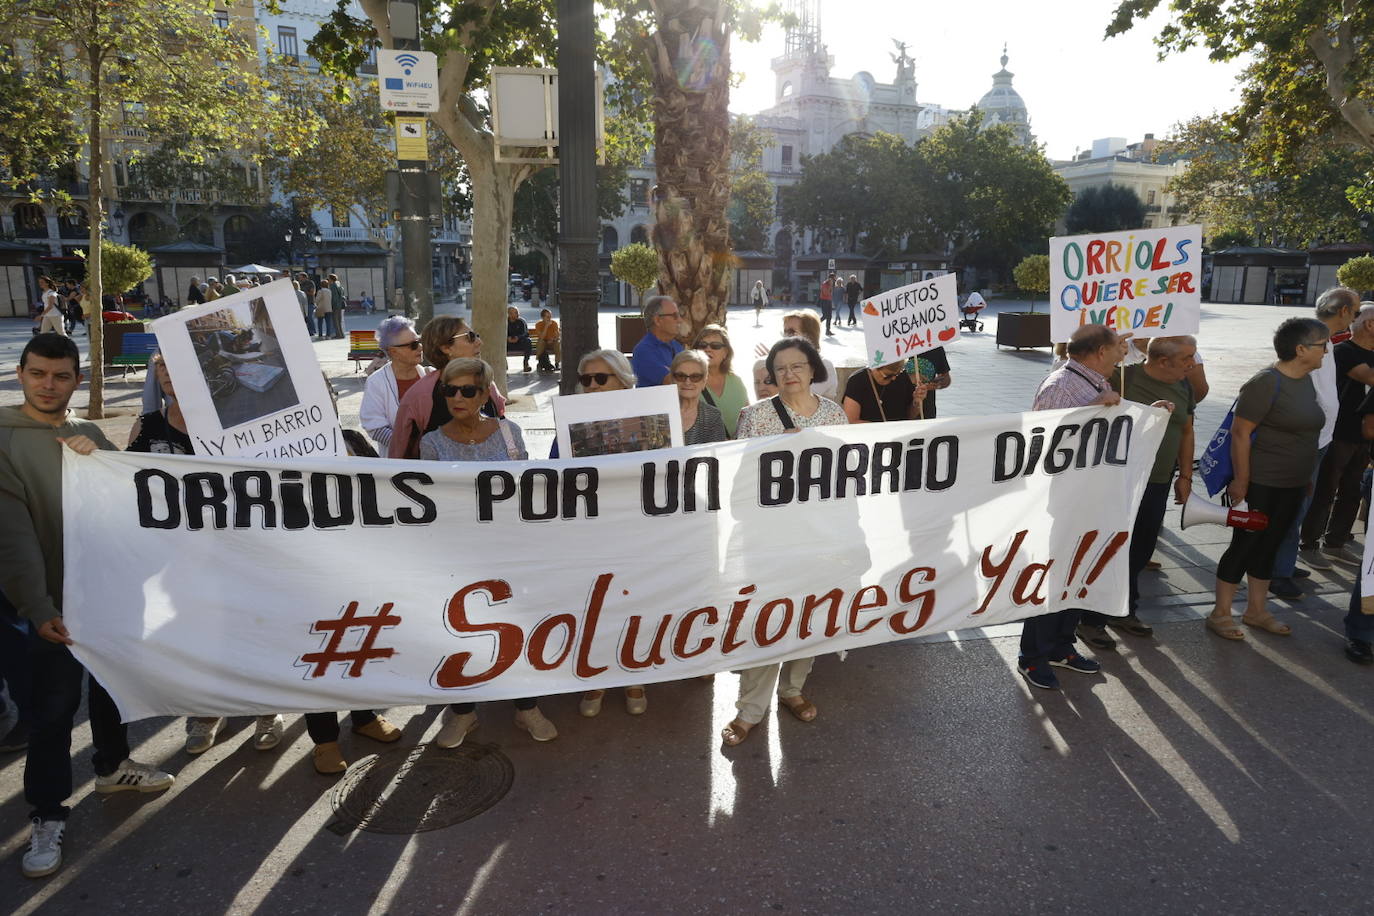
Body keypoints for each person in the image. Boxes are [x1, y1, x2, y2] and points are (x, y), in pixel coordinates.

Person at [1, 334, 174, 879]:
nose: (47, 385)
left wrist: (98, 457)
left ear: (77, 379)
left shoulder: (90, 432)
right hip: (49, 607)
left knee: (109, 689)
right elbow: (12, 536)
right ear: (21, 374)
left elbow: (134, 500)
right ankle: (47, 815)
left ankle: (112, 766)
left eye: (60, 376)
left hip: (102, 597)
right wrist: (37, 606)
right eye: (37, 374)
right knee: (52, 714)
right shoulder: (4, 437)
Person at [124, 354, 291, 755]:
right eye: (160, 370)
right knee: (199, 634)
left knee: (252, 627)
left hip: (237, 547)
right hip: (179, 556)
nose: (166, 375)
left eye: (173, 367)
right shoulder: (147, 426)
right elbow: (125, 479)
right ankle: (205, 711)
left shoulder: (230, 424)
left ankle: (269, 709)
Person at [418, 358, 559, 744]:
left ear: (484, 394)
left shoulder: (509, 434)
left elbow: (527, 492)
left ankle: (525, 706)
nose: (457, 398)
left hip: (509, 552)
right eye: (449, 390)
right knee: (457, 633)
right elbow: (432, 507)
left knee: (516, 628)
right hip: (456, 555)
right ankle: (464, 713)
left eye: (467, 390)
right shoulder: (431, 443)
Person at [724, 336, 847, 746]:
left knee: (808, 617)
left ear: (813, 369)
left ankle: (793, 689)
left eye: (797, 366)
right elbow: (740, 483)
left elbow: (844, 479)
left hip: (819, 539)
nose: (789, 374)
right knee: (767, 620)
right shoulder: (756, 416)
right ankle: (749, 710)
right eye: (780, 369)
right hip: (769, 539)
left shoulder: (833, 416)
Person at [1207, 317, 1330, 641]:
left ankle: (1256, 611)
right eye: (1322, 345)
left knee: (1270, 547)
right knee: (1245, 546)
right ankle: (1220, 613)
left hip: (1292, 483)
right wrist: (1242, 482)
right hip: (1261, 483)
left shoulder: (1306, 380)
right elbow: (1240, 433)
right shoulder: (1265, 382)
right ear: (1301, 349)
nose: (1327, 351)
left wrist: (1303, 477)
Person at [1016, 324, 1123, 689]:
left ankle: (1061, 646)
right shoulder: (1061, 385)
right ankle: (1032, 656)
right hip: (1062, 502)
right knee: (1054, 577)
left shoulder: (1095, 382)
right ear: (1099, 352)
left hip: (1089, 499)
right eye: (1117, 347)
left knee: (1078, 573)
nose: (1123, 352)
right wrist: (1092, 408)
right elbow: (1044, 442)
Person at [1076, 336, 1196, 650]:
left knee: (1142, 548)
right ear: (1162, 361)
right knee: (1112, 548)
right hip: (1120, 480)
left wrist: (1185, 475)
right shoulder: (1122, 378)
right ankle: (1090, 619)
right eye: (1186, 358)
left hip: (1158, 480)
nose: (1192, 364)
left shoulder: (1184, 386)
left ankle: (1123, 608)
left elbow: (1186, 429)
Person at [561, 349, 650, 717]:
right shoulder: (569, 423)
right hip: (591, 528)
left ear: (622, 380)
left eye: (602, 378)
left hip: (637, 526)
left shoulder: (646, 417)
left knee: (634, 600)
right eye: (586, 380)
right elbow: (555, 472)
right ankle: (595, 678)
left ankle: (634, 676)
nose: (593, 386)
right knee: (595, 602)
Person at [1270, 287, 1360, 589]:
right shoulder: (1312, 338)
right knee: (1293, 508)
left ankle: (1283, 562)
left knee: (1301, 506)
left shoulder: (1327, 342)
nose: (1357, 318)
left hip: (1319, 439)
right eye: (1357, 312)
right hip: (1305, 440)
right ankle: (1276, 572)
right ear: (1344, 312)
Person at [1293, 304, 1374, 583]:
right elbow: (1369, 377)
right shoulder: (1344, 352)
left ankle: (1336, 543)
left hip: (1365, 435)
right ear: (1369, 325)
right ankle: (1309, 545)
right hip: (1340, 432)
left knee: (1352, 490)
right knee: (1325, 489)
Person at [388, 317, 505, 459]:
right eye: (470, 337)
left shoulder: (487, 385)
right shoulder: (420, 396)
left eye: (468, 391)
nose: (479, 342)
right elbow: (400, 453)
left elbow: (503, 430)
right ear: (446, 348)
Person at [360, 316, 432, 452]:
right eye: (413, 345)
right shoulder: (376, 382)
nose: (420, 347)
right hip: (397, 464)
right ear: (394, 351)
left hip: (434, 463)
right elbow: (375, 427)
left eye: (419, 341)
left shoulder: (431, 375)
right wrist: (410, 446)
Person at [756, 310, 839, 402]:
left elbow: (795, 398)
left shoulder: (825, 365)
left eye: (791, 332)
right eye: (785, 332)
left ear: (809, 335)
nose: (786, 337)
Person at [693, 324, 749, 437]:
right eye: (703, 345)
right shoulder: (688, 383)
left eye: (715, 345)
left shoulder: (736, 382)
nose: (708, 349)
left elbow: (749, 420)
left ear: (725, 353)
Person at [841, 359, 926, 423]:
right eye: (888, 375)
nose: (893, 378)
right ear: (875, 368)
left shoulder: (903, 378)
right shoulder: (857, 381)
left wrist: (917, 402)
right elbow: (851, 421)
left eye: (897, 373)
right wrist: (885, 429)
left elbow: (909, 416)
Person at [672, 350, 728, 445]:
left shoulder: (713, 417)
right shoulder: (658, 413)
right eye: (681, 376)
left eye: (695, 377)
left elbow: (718, 456)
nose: (687, 382)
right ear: (673, 380)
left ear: (704, 382)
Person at [632, 295, 684, 387]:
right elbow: (673, 382)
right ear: (657, 320)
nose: (680, 320)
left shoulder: (677, 346)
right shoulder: (643, 351)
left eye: (679, 315)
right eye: (674, 316)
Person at [912, 348, 952, 418]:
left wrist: (936, 385)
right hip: (895, 413)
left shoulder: (935, 347)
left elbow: (946, 379)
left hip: (926, 412)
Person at [506, 305, 533, 373]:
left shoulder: (521, 321)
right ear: (509, 314)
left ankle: (526, 363)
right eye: (514, 313)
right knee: (500, 343)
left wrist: (518, 338)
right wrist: (507, 338)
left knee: (528, 341)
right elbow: (500, 333)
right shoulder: (505, 322)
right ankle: (504, 364)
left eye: (517, 312)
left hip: (519, 343)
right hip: (508, 344)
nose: (516, 314)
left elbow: (526, 333)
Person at [534, 308, 561, 372]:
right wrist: (546, 326)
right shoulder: (538, 324)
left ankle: (557, 363)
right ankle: (539, 360)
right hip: (544, 342)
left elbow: (557, 336)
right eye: (547, 317)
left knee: (558, 343)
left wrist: (553, 339)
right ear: (543, 317)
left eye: (550, 316)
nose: (549, 318)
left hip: (552, 342)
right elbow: (541, 337)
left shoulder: (554, 323)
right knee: (541, 342)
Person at [328, 273, 346, 339]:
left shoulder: (333, 285)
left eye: (329, 278)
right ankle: (341, 334)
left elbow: (334, 297)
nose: (328, 280)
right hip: (340, 305)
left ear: (331, 279)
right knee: (339, 321)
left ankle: (338, 335)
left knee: (336, 321)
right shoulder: (339, 284)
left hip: (336, 305)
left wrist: (333, 305)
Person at [819, 271, 836, 335]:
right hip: (824, 301)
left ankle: (828, 331)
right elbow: (826, 293)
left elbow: (830, 295)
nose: (833, 281)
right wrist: (830, 287)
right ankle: (815, 324)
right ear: (830, 278)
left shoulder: (830, 284)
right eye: (833, 279)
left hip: (829, 301)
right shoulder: (825, 284)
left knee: (829, 316)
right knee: (825, 315)